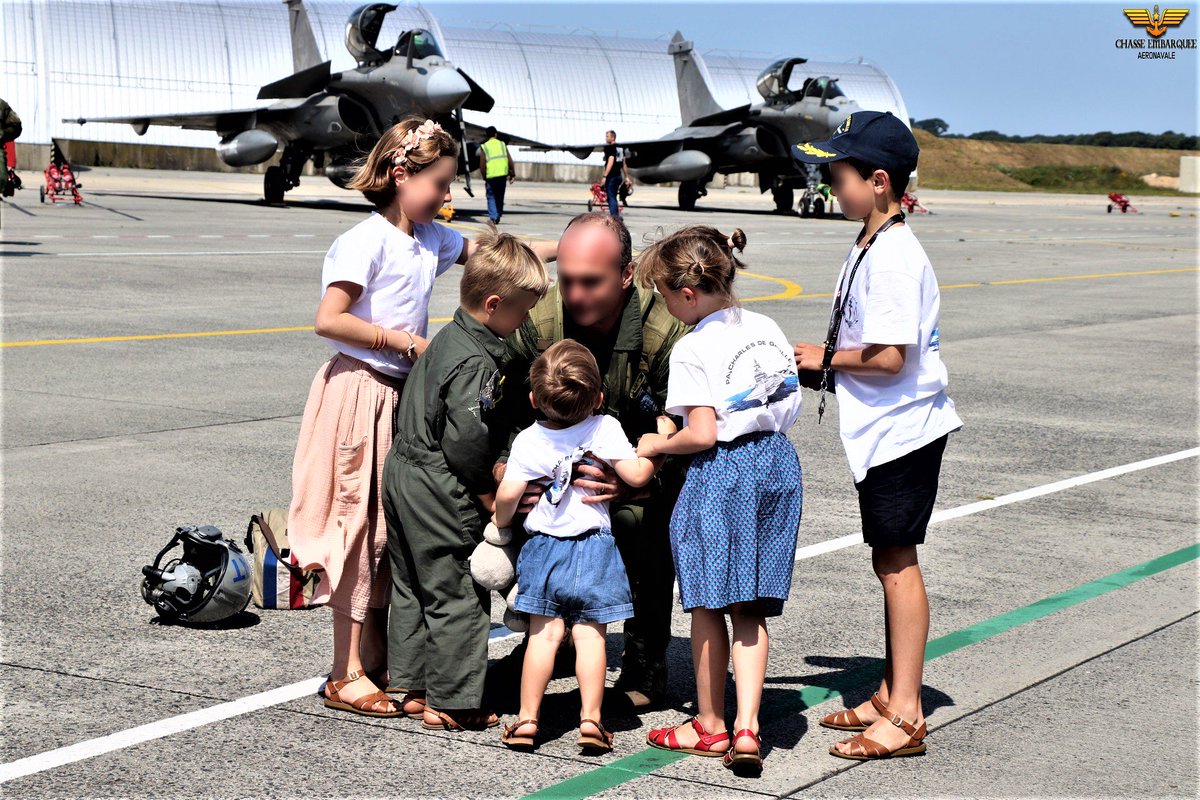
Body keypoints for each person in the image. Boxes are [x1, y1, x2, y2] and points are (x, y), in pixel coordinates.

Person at [791, 111, 962, 761]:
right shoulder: (869, 241)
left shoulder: (893, 255)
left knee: (897, 565)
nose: (832, 182)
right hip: (884, 428)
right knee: (886, 560)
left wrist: (824, 360)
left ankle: (908, 715)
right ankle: (892, 692)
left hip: (904, 431)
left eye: (841, 172)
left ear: (880, 181)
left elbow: (890, 356)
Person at [288, 118, 466, 719]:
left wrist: (565, 246)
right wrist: (403, 343)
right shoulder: (365, 240)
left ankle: (377, 654)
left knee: (389, 527)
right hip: (359, 391)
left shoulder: (427, 239)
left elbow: (490, 250)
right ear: (400, 175)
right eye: (440, 184)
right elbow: (329, 319)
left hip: (399, 397)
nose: (448, 197)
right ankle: (345, 672)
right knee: (354, 524)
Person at [493, 212, 689, 709]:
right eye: (567, 280)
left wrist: (639, 485)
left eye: (591, 282)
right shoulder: (540, 322)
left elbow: (691, 428)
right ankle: (547, 636)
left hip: (640, 475)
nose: (575, 294)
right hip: (555, 479)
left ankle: (644, 661)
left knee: (645, 524)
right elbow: (501, 412)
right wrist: (505, 476)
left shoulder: (664, 331)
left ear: (626, 275)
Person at [634, 226, 804, 775]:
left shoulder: (692, 345)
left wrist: (660, 442)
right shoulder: (767, 326)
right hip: (776, 462)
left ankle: (710, 724)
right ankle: (749, 726)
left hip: (723, 472)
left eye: (663, 294)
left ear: (686, 294)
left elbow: (703, 432)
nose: (663, 304)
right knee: (749, 606)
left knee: (708, 601)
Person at [383, 230, 553, 732]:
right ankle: (455, 702)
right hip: (440, 482)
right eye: (522, 312)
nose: (524, 322)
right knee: (457, 589)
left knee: (413, 582)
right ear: (495, 304)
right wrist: (487, 493)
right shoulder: (478, 360)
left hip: (402, 472)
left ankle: (411, 684)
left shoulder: (447, 338)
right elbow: (466, 440)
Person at [493, 340, 672, 753]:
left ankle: (527, 720)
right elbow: (640, 475)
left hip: (544, 548)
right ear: (599, 398)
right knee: (592, 637)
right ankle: (591, 719)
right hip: (595, 547)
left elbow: (508, 496)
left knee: (544, 636)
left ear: (534, 398)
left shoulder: (527, 440)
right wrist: (659, 443)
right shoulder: (605, 427)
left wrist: (501, 522)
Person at [478, 126, 515, 224]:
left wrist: (484, 175)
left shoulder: (484, 146)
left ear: (487, 135)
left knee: (491, 196)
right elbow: (509, 160)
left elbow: (482, 163)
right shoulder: (502, 144)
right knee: (500, 196)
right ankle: (498, 214)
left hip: (491, 176)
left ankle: (493, 216)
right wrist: (512, 174)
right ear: (496, 134)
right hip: (502, 175)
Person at [601, 130, 630, 219]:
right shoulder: (621, 147)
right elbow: (624, 163)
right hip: (619, 176)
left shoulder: (609, 147)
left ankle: (615, 218)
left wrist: (605, 176)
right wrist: (627, 177)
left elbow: (611, 160)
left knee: (611, 197)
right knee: (613, 196)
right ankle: (616, 215)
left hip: (612, 176)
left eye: (607, 136)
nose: (605, 138)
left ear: (612, 137)